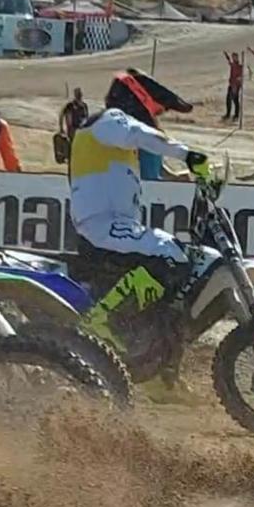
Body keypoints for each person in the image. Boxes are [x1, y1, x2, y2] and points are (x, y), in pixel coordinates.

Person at [66, 68, 208, 394]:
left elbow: (144, 158)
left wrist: (183, 177)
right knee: (172, 256)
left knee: (175, 276)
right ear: (136, 102)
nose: (154, 119)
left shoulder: (110, 136)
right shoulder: (109, 121)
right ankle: (101, 323)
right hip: (101, 227)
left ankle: (159, 369)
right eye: (152, 111)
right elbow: (141, 135)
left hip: (113, 226)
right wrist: (189, 155)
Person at [223, 51, 243, 121]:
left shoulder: (240, 66)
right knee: (228, 100)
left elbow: (240, 76)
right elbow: (229, 62)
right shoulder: (233, 64)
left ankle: (236, 115)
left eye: (234, 57)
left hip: (236, 85)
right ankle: (228, 114)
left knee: (235, 100)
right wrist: (226, 56)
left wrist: (236, 84)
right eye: (233, 57)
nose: (233, 58)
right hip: (231, 84)